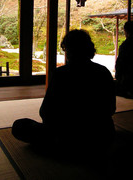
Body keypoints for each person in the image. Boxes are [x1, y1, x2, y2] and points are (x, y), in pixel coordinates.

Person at [12, 29, 116, 160]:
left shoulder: (61, 73)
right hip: (102, 137)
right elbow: (111, 109)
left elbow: (46, 112)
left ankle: (60, 148)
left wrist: (52, 129)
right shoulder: (103, 72)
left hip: (66, 137)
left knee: (19, 126)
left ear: (68, 51)